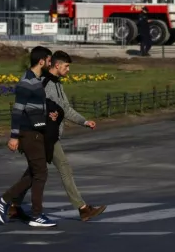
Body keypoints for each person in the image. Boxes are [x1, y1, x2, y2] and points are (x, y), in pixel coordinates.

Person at [9, 51, 107, 222]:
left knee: (34, 171)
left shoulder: (57, 84)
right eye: (66, 66)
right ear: (56, 65)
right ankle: (83, 208)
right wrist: (48, 116)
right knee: (64, 168)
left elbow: (66, 109)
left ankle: (13, 205)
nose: (68, 70)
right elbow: (33, 107)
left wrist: (84, 122)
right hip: (45, 135)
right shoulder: (44, 83)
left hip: (50, 134)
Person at [0, 46, 57, 228]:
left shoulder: (35, 80)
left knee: (34, 172)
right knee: (41, 173)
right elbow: (17, 111)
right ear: (42, 61)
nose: (50, 63)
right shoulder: (26, 82)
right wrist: (14, 136)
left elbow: (34, 107)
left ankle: (4, 200)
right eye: (49, 60)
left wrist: (48, 115)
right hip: (29, 133)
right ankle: (36, 215)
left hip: (37, 131)